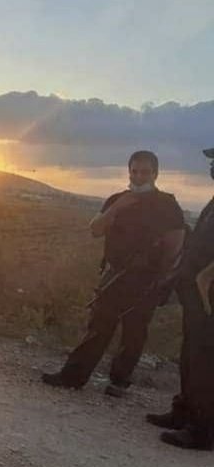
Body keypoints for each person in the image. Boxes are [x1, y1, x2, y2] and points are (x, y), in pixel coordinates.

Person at [43, 150, 185, 396]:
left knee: (134, 332)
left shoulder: (167, 205)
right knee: (98, 326)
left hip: (146, 279)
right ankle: (73, 376)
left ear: (156, 174)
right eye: (135, 171)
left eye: (145, 172)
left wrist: (162, 281)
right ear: (129, 171)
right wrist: (118, 207)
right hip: (115, 275)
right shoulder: (117, 199)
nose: (139, 177)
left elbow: (175, 244)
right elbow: (96, 229)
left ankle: (119, 382)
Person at [147, 147, 214, 449]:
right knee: (190, 356)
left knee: (206, 361)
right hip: (195, 293)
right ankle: (184, 412)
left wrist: (203, 279)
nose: (212, 166)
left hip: (208, 295)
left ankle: (203, 431)